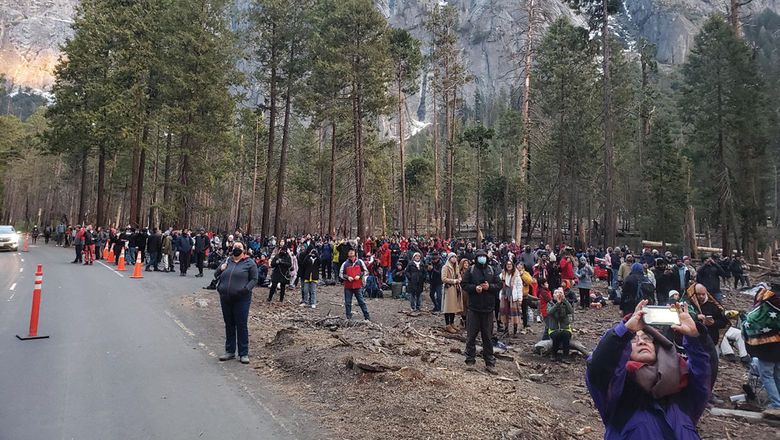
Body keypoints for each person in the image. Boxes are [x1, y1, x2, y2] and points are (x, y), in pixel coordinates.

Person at [587, 300, 715, 439]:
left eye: (646, 338)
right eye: (634, 340)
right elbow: (599, 368)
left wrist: (695, 336)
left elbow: (705, 368)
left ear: (657, 345)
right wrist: (625, 331)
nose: (641, 341)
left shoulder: (684, 387)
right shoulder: (617, 390)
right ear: (626, 351)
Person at [215, 242, 258, 364]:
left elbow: (254, 279)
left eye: (239, 247)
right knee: (229, 324)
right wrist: (221, 268)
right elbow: (216, 274)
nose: (237, 249)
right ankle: (230, 351)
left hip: (242, 299)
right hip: (225, 297)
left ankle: (243, 353)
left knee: (241, 325)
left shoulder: (249, 263)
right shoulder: (227, 261)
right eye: (235, 247)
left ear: (244, 250)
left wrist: (245, 289)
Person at [742, 282, 780, 412]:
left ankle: (776, 403)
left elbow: (751, 320)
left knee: (767, 375)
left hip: (767, 347)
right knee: (778, 374)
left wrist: (744, 323)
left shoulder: (767, 305)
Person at [461, 250, 501, 375]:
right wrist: (475, 288)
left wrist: (490, 287)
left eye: (484, 256)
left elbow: (499, 285)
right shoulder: (471, 270)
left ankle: (490, 362)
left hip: (488, 309)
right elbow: (464, 284)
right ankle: (470, 360)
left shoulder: (492, 270)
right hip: (474, 308)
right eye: (480, 257)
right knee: (471, 335)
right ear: (476, 258)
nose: (482, 258)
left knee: (488, 337)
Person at [339, 249, 370, 321]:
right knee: (348, 303)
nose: (351, 252)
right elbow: (341, 274)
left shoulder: (360, 262)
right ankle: (348, 317)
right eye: (349, 251)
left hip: (357, 286)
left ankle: (367, 316)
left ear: (355, 253)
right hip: (348, 286)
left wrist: (359, 276)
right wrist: (347, 277)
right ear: (348, 253)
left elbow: (365, 271)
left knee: (361, 301)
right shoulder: (345, 264)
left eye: (352, 251)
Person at [547, 288, 573, 361]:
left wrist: (564, 300)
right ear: (553, 295)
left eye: (559, 293)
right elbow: (549, 312)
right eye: (556, 293)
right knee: (557, 335)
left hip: (565, 328)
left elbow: (571, 311)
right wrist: (557, 304)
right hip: (554, 329)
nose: (558, 294)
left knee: (566, 335)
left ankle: (566, 356)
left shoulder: (565, 303)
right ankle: (553, 354)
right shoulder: (550, 303)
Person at [499, 260, 524, 335]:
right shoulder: (502, 274)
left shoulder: (516, 275)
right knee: (504, 312)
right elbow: (499, 284)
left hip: (513, 295)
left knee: (514, 313)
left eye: (510, 264)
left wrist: (520, 298)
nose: (509, 266)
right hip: (504, 295)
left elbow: (519, 287)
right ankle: (506, 329)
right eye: (507, 264)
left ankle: (515, 330)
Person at [441, 252, 463, 334]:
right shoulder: (445, 267)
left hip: (456, 288)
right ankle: (447, 324)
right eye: (452, 257)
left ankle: (452, 323)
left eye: (455, 257)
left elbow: (458, 275)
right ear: (449, 258)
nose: (454, 258)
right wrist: (453, 281)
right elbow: (443, 278)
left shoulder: (456, 267)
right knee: (448, 307)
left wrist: (459, 279)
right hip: (449, 288)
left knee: (453, 306)